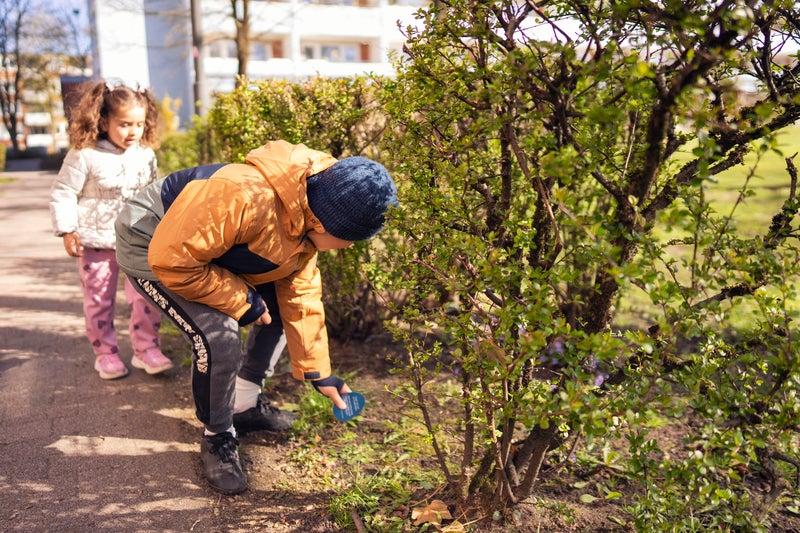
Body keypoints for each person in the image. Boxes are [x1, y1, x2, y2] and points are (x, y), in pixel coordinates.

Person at [115, 140, 397, 494]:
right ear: (326, 224)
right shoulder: (244, 196)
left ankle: (244, 405)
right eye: (349, 239)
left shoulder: (308, 212)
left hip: (207, 248)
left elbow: (301, 298)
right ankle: (218, 436)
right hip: (154, 242)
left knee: (278, 305)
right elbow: (173, 260)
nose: (350, 246)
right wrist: (242, 300)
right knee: (219, 337)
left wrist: (319, 372)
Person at [50, 79, 173, 380]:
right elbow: (64, 191)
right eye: (125, 124)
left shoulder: (145, 154)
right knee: (99, 301)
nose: (133, 131)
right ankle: (105, 353)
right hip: (95, 243)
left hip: (137, 240)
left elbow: (152, 193)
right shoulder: (85, 154)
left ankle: (146, 349)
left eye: (139, 124)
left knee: (146, 296)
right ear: (104, 122)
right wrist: (67, 230)